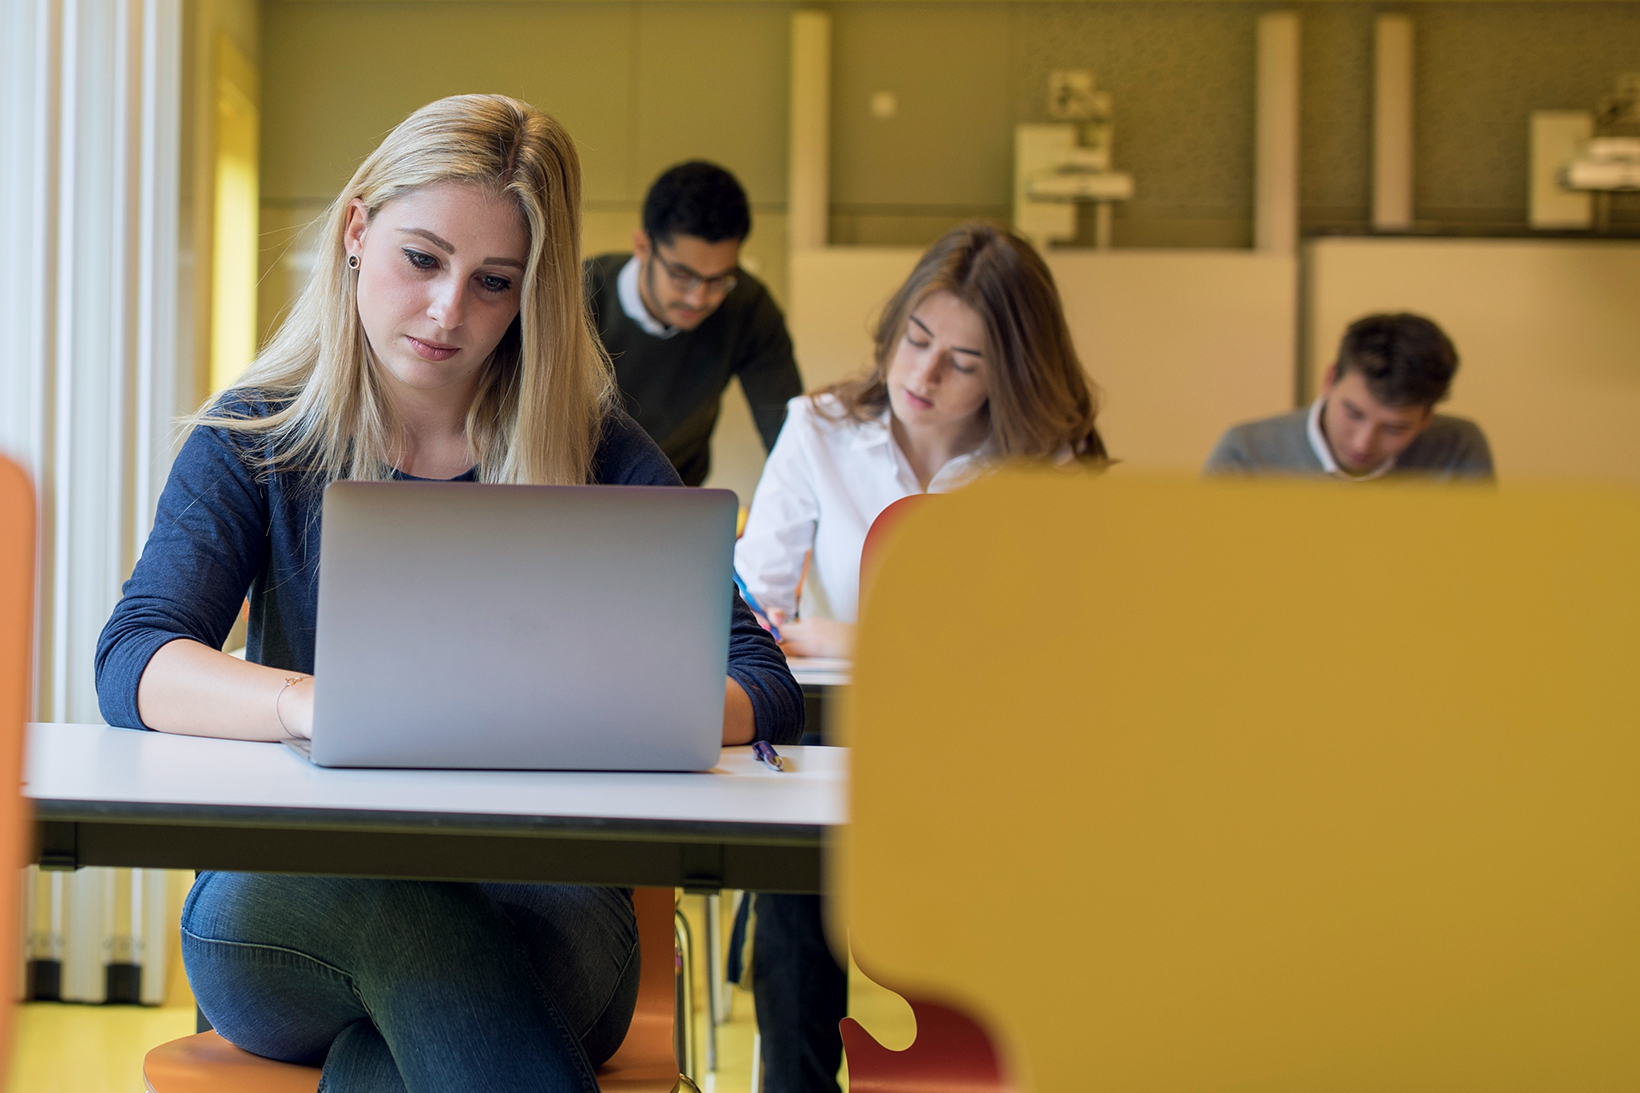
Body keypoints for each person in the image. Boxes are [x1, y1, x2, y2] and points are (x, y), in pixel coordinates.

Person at [94, 94, 802, 1092]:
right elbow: (135, 658)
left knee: (392, 1050)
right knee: (412, 926)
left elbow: (761, 678)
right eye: (421, 259)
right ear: (355, 231)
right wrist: (306, 702)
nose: (446, 312)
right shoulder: (255, 437)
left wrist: (621, 712)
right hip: (296, 899)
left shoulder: (592, 448)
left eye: (493, 282)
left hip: (550, 910)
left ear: (530, 295)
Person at [732, 224, 1108, 1093]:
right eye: (916, 340)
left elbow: (1048, 646)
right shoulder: (818, 427)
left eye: (964, 362)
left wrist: (854, 638)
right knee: (794, 905)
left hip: (990, 764)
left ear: (1010, 373)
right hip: (841, 748)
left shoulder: (1045, 470)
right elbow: (756, 607)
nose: (922, 376)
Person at [584, 161, 803, 486]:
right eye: (682, 276)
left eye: (719, 280)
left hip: (677, 499)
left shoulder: (748, 307)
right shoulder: (578, 296)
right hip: (574, 493)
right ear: (643, 247)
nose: (699, 299)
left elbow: (788, 437)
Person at [1205, 312, 1494, 480]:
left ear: (1427, 418)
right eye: (1353, 413)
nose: (1363, 443)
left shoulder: (1458, 447)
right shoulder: (1246, 453)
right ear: (1329, 380)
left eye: (1395, 428)